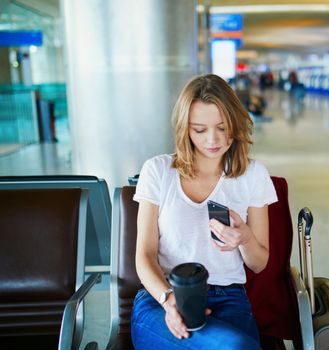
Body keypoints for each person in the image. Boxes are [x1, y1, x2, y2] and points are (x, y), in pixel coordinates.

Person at [131, 74, 277, 349]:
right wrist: (168, 299)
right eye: (199, 130)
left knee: (234, 345)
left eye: (222, 127)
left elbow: (259, 263)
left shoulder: (253, 175)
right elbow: (144, 255)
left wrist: (245, 238)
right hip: (163, 296)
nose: (213, 140)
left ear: (235, 123)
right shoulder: (158, 171)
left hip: (228, 297)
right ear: (185, 129)